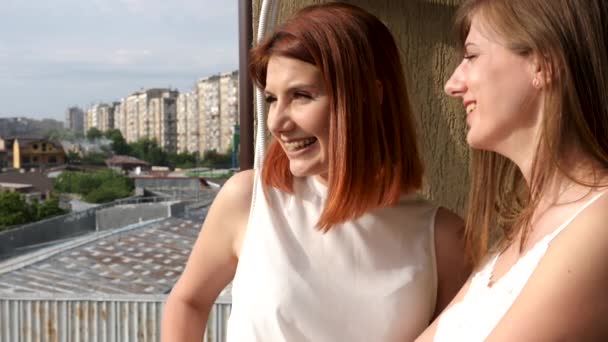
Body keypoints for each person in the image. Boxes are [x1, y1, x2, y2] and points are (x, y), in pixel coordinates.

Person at [162, 3, 469, 341]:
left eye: (301, 96)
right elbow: (188, 301)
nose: (277, 122)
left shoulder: (444, 239)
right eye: (272, 99)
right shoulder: (249, 200)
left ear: (370, 95)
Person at [416, 0, 608, 341]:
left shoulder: (598, 224)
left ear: (542, 63)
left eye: (471, 56)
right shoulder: (517, 235)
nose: (452, 84)